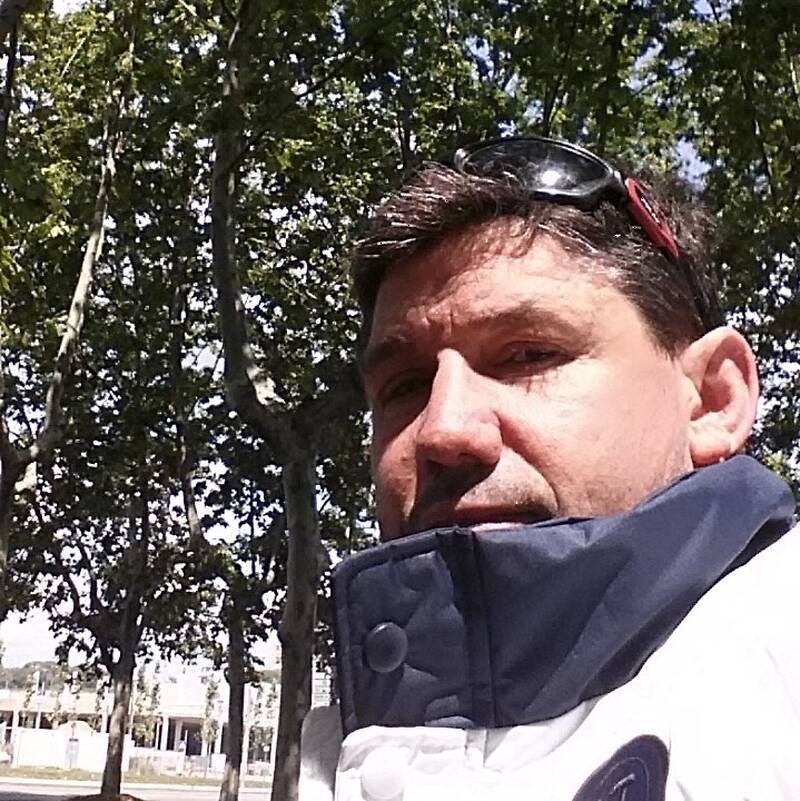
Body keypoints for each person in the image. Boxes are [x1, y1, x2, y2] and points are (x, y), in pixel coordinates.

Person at [300, 137, 799, 801]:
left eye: (529, 354)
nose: (443, 429)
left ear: (712, 400)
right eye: (405, 386)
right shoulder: (345, 738)